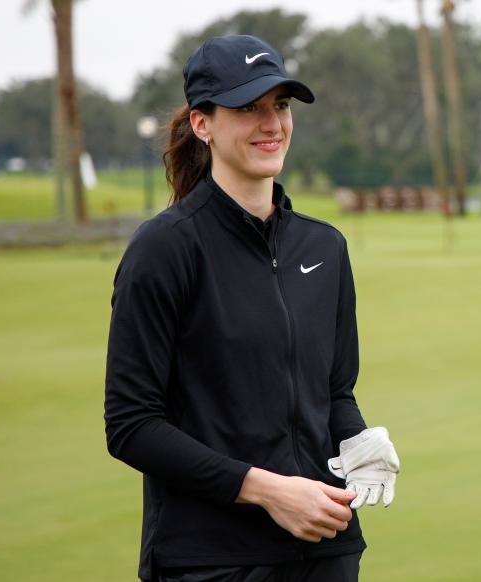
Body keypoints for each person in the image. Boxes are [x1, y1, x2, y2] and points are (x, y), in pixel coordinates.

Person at [104, 35, 400, 582]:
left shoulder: (325, 247)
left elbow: (332, 391)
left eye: (281, 106)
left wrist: (358, 439)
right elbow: (131, 424)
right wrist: (268, 491)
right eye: (248, 107)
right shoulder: (164, 250)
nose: (272, 123)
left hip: (324, 550)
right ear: (202, 124)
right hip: (212, 560)